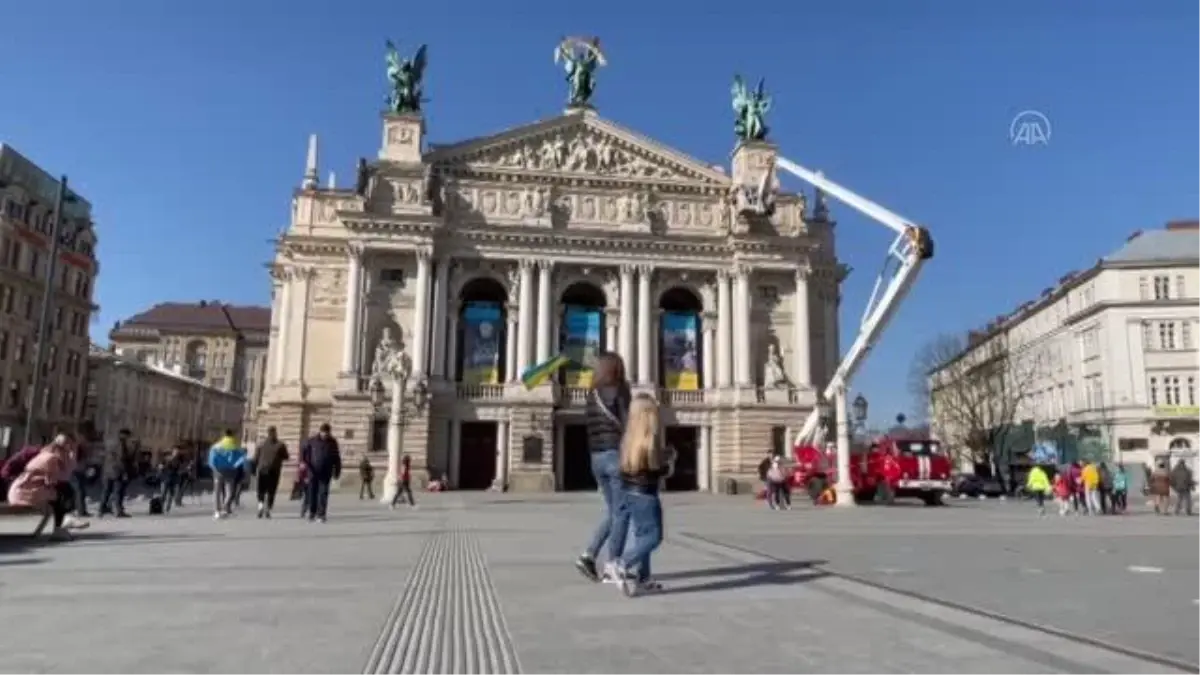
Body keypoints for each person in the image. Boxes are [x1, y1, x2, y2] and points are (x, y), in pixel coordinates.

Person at [574, 352, 633, 583]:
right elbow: (628, 422)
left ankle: (588, 556)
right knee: (623, 511)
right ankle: (613, 564)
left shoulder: (591, 394)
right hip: (615, 455)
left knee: (614, 511)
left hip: (596, 458)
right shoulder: (620, 390)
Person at [614, 394, 668, 596]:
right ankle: (622, 564)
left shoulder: (628, 440)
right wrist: (668, 463)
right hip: (646, 494)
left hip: (630, 492)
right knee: (654, 537)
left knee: (641, 536)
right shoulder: (649, 440)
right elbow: (654, 470)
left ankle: (643, 578)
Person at [7, 435, 90, 541]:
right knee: (63, 491)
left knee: (60, 492)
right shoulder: (51, 459)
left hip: (21, 490)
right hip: (24, 493)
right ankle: (62, 524)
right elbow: (54, 481)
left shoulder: (46, 454)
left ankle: (64, 522)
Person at [300, 423, 342, 523]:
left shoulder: (332, 442)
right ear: (320, 432)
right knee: (312, 493)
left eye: (327, 433)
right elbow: (304, 454)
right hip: (312, 471)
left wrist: (337, 471)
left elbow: (336, 457)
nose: (325, 435)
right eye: (323, 433)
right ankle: (312, 512)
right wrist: (304, 466)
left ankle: (321, 514)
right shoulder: (312, 441)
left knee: (323, 493)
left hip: (326, 472)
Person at [207, 429, 248, 520]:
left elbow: (211, 460)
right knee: (230, 492)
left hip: (218, 471)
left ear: (224, 435)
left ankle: (217, 511)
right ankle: (224, 506)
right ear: (232, 435)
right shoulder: (236, 447)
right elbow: (243, 459)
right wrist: (235, 465)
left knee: (217, 492)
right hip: (230, 471)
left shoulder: (216, 446)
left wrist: (214, 467)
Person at [99, 429, 135, 518]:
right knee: (118, 491)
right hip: (117, 471)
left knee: (106, 491)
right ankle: (118, 511)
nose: (128, 439)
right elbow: (121, 459)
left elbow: (105, 456)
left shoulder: (110, 442)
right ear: (124, 435)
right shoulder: (121, 444)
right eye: (128, 436)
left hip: (107, 470)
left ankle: (101, 509)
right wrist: (125, 472)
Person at [254, 427, 289, 519]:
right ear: (275, 433)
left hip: (262, 470)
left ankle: (261, 505)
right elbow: (286, 456)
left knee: (261, 490)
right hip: (274, 470)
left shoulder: (261, 444)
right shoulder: (281, 445)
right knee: (271, 491)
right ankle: (268, 509)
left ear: (267, 433)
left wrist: (254, 469)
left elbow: (255, 458)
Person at [158, 447, 184, 513]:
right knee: (163, 494)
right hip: (165, 479)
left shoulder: (178, 461)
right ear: (172, 452)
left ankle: (167, 509)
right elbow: (160, 466)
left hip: (173, 480)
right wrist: (161, 467)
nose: (176, 453)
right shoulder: (167, 458)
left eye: (177, 452)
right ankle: (160, 508)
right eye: (175, 452)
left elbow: (179, 470)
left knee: (170, 495)